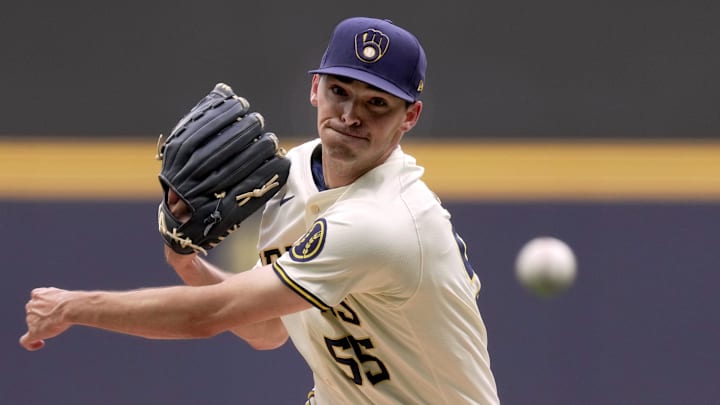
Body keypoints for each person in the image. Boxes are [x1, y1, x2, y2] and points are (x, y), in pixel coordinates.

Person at [21, 17, 500, 404]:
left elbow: (208, 316)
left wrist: (75, 306)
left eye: (377, 103)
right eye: (340, 91)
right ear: (315, 89)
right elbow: (265, 329)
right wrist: (184, 262)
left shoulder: (384, 220)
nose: (352, 115)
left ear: (409, 117)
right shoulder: (292, 175)